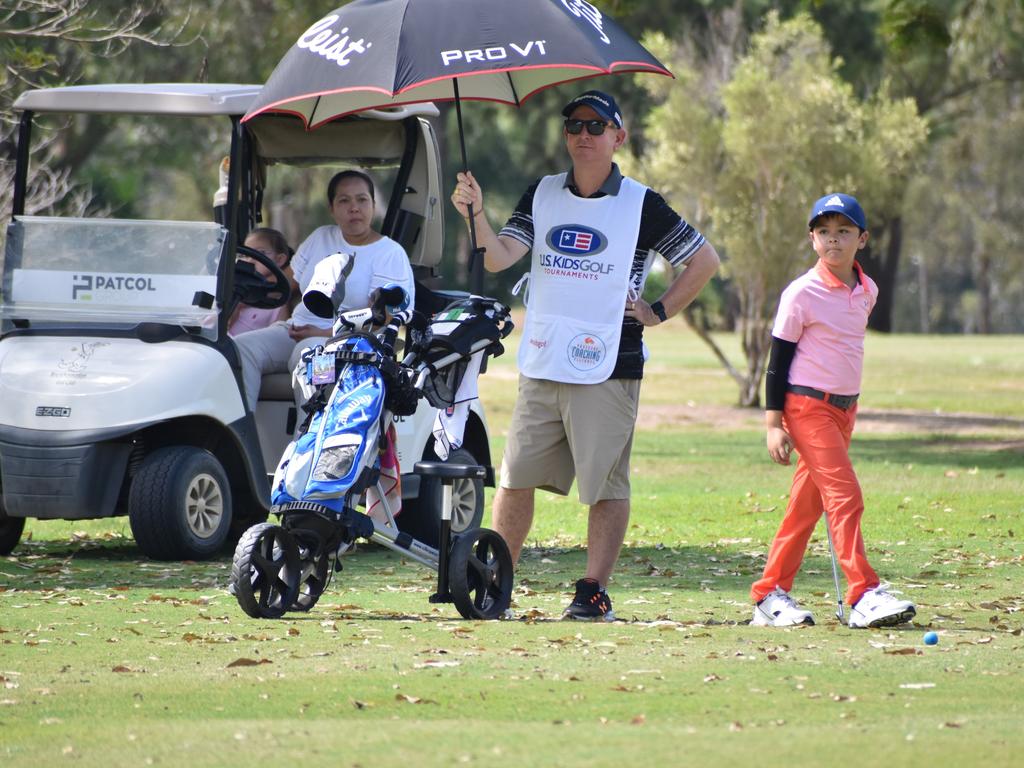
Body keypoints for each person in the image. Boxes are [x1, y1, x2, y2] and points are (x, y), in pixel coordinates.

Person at [450, 90, 720, 621]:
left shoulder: (644, 204)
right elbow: (502, 254)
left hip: (610, 363)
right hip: (545, 357)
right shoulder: (543, 193)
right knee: (514, 477)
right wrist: (477, 214)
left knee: (605, 484)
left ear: (619, 137)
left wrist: (657, 311)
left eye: (597, 126)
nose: (583, 134)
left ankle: (593, 592)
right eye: (574, 124)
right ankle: (498, 581)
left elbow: (703, 261)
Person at [751, 192, 917, 629]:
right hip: (807, 408)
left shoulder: (867, 290)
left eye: (843, 232)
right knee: (845, 495)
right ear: (812, 239)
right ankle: (863, 593)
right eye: (824, 232)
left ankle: (769, 595)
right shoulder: (800, 293)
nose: (833, 240)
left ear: (861, 239)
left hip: (846, 411)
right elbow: (777, 362)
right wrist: (773, 424)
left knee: (805, 508)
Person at [233, 170, 415, 412]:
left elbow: (382, 320)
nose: (354, 208)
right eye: (344, 200)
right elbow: (283, 286)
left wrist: (320, 332)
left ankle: (307, 443)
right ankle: (242, 439)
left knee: (308, 357)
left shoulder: (389, 254)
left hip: (351, 344)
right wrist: (241, 289)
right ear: (332, 208)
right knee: (239, 349)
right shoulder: (320, 237)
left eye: (362, 200)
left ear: (372, 204)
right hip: (296, 330)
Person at [228, 228, 294, 337]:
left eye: (261, 253)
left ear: (279, 260)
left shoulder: (276, 302)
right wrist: (234, 305)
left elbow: (278, 338)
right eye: (246, 255)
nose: (251, 260)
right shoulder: (231, 288)